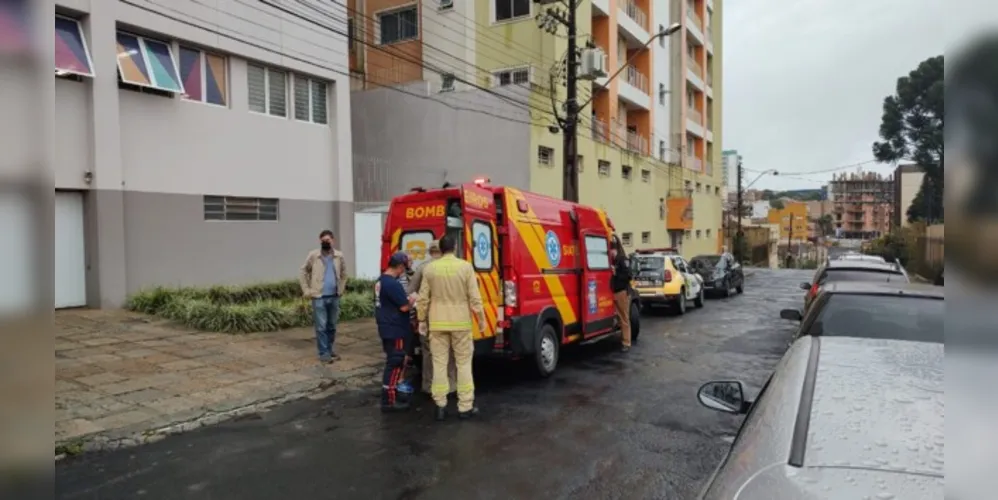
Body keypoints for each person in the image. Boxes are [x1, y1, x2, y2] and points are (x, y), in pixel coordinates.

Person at [416, 234, 485, 421]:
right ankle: (465, 406)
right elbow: (475, 298)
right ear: (454, 247)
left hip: (437, 323)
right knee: (463, 364)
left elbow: (422, 298)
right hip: (461, 323)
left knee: (439, 364)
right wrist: (481, 320)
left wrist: (422, 320)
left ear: (440, 248)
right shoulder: (465, 267)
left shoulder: (430, 269)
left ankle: (440, 405)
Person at [405, 241, 457, 395]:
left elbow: (410, 291)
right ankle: (451, 385)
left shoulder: (423, 268)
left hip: (428, 316)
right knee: (449, 350)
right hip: (449, 315)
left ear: (430, 252)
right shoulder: (454, 267)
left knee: (428, 352)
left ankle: (428, 386)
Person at [376, 252, 417, 412]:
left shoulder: (381, 281)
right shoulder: (392, 284)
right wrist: (413, 300)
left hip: (386, 326)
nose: (403, 272)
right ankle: (389, 401)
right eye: (403, 268)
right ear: (399, 267)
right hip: (395, 328)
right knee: (395, 362)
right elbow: (404, 306)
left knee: (392, 362)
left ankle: (388, 397)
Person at [299, 229, 348, 364]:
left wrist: (341, 289)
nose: (326, 242)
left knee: (332, 325)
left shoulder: (339, 256)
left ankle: (329, 349)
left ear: (333, 240)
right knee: (321, 326)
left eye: (328, 240)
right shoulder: (314, 255)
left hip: (334, 296)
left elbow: (344, 274)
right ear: (320, 241)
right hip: (318, 296)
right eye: (323, 240)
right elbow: (303, 271)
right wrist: (307, 290)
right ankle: (323, 353)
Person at [609, 235, 633, 352]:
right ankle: (622, 339)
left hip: (622, 291)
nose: (611, 252)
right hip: (616, 291)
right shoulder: (616, 259)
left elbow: (629, 275)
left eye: (612, 249)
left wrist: (616, 273)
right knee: (619, 317)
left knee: (624, 318)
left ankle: (626, 343)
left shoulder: (623, 259)